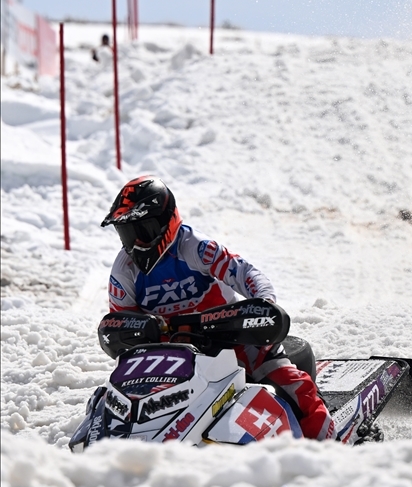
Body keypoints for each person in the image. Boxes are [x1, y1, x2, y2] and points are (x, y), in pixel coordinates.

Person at [100, 175, 336, 440]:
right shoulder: (124, 270)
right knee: (112, 402)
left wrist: (264, 307)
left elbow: (248, 275)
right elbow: (122, 323)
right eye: (126, 234)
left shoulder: (195, 247)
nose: (134, 244)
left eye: (141, 232)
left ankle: (333, 454)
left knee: (296, 389)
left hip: (232, 336)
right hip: (171, 353)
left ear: (166, 222)